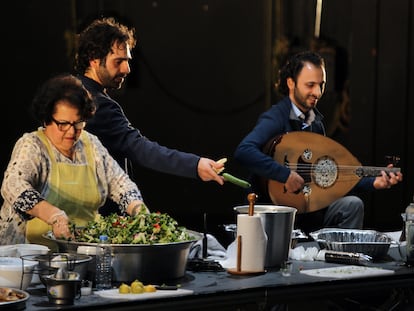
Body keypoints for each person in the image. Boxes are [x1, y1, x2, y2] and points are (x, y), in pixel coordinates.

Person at [234, 50, 403, 234]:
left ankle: (337, 259)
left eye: (321, 85)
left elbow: (327, 176)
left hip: (310, 212)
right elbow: (244, 151)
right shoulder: (276, 117)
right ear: (291, 83)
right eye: (310, 85)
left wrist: (372, 182)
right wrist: (285, 175)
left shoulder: (316, 124)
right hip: (275, 213)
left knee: (352, 205)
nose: (317, 92)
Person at [73, 17, 224, 214]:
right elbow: (141, 149)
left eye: (127, 61)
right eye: (118, 61)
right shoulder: (98, 105)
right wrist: (195, 165)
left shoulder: (70, 92)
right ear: (94, 59)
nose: (127, 69)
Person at [0, 73, 148, 248]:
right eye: (62, 124)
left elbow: (120, 183)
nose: (71, 132)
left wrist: (139, 211)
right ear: (47, 119)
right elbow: (13, 185)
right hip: (29, 257)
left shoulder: (91, 144)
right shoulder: (32, 145)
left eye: (78, 124)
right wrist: (54, 216)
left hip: (84, 252)